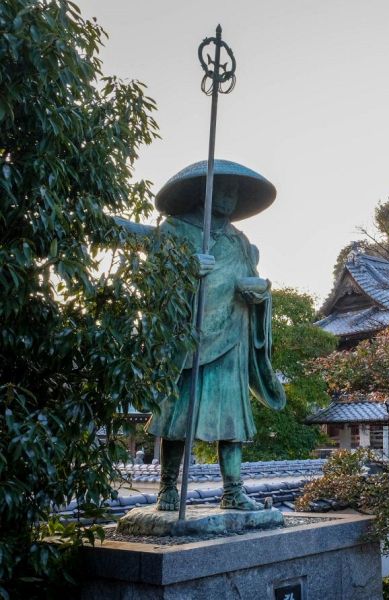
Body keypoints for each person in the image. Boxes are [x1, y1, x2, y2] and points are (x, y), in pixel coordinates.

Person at [124, 160, 286, 511]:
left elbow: (249, 280)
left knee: (232, 420)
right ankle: (168, 487)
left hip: (231, 337)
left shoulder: (239, 241)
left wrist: (259, 294)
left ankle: (233, 491)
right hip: (188, 340)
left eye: (235, 192)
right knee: (177, 419)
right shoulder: (175, 231)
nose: (231, 197)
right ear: (205, 191)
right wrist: (184, 269)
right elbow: (152, 284)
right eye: (224, 190)